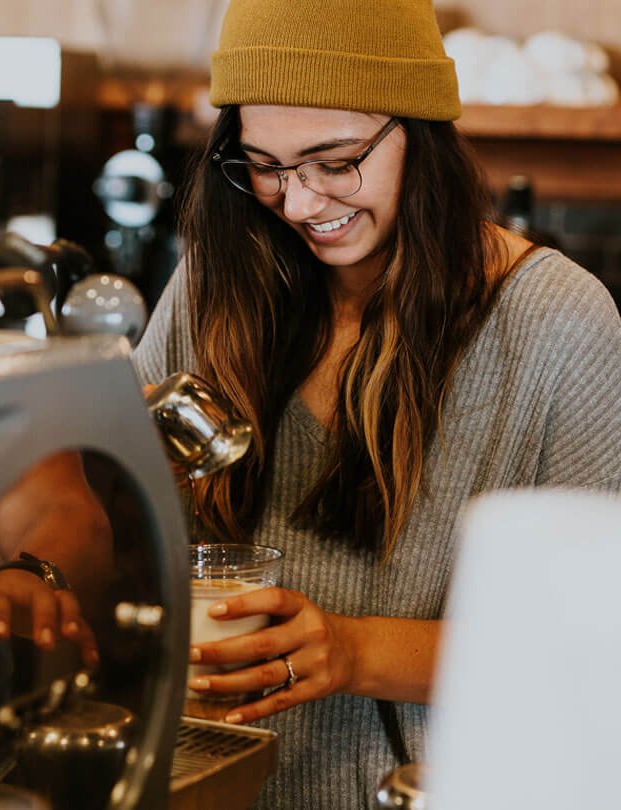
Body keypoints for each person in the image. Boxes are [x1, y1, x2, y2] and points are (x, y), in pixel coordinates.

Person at [130, 0, 621, 807]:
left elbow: (587, 646)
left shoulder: (557, 322)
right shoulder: (218, 284)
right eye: (264, 164)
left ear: (420, 133)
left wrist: (355, 652)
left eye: (335, 161)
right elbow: (126, 511)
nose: (297, 203)